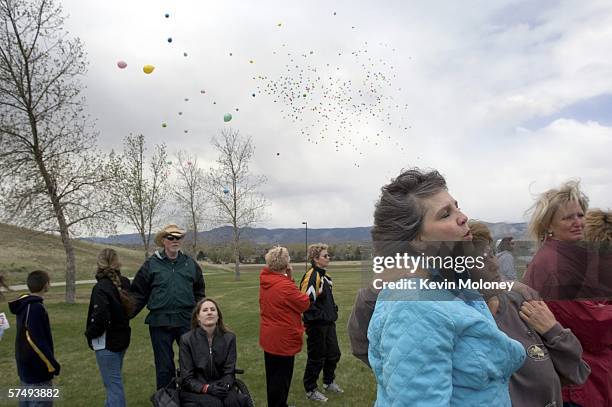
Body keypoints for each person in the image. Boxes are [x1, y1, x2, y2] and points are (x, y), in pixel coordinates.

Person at [366, 168, 525, 406]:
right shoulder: (414, 308)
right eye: (445, 214)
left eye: (457, 206)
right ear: (416, 241)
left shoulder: (451, 287)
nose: (463, 217)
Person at [470, 221, 590, 407]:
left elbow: (576, 368)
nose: (493, 264)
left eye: (491, 254)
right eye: (480, 260)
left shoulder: (522, 302)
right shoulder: (463, 320)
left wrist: (554, 331)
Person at [522, 181, 612, 407]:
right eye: (567, 218)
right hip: (578, 382)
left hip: (583, 372)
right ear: (549, 224)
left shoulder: (566, 255)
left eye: (580, 215)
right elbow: (591, 328)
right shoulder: (555, 265)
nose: (578, 222)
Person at [131, 224, 206, 390]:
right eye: (170, 237)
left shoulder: (190, 264)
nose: (174, 241)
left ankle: (192, 396)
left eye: (178, 237)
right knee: (164, 366)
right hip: (160, 322)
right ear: (163, 241)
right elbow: (138, 293)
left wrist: (200, 314)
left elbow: (199, 291)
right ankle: (167, 398)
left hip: (186, 321)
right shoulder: (151, 265)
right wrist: (124, 314)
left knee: (192, 362)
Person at [259, 246, 310, 407]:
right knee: (282, 378)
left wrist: (287, 276)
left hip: (269, 336)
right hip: (283, 339)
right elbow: (304, 303)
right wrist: (290, 278)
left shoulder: (266, 280)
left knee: (272, 377)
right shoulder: (285, 286)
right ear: (286, 263)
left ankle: (276, 403)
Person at [85, 248, 135, 407]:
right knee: (113, 382)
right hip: (122, 339)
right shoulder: (125, 282)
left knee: (113, 386)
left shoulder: (101, 288)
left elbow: (100, 317)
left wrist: (89, 333)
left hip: (107, 342)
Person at [179, 298, 248, 407]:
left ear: (218, 316)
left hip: (221, 385)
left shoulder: (229, 338)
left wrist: (225, 385)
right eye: (205, 310)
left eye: (212, 309)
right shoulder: (187, 340)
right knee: (214, 404)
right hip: (196, 389)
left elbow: (229, 371)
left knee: (233, 402)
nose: (209, 312)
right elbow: (187, 378)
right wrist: (207, 388)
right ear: (198, 317)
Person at [9, 270, 60, 406]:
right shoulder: (35, 308)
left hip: (26, 367)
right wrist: (52, 364)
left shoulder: (26, 305)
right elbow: (35, 340)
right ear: (45, 285)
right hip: (37, 369)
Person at [299, 243, 343, 402]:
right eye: (325, 256)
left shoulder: (326, 277)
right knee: (316, 357)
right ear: (316, 259)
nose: (328, 258)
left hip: (329, 323)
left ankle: (328, 382)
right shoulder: (312, 276)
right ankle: (310, 389)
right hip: (316, 325)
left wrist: (332, 311)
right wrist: (322, 316)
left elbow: (325, 300)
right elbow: (306, 303)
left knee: (333, 354)